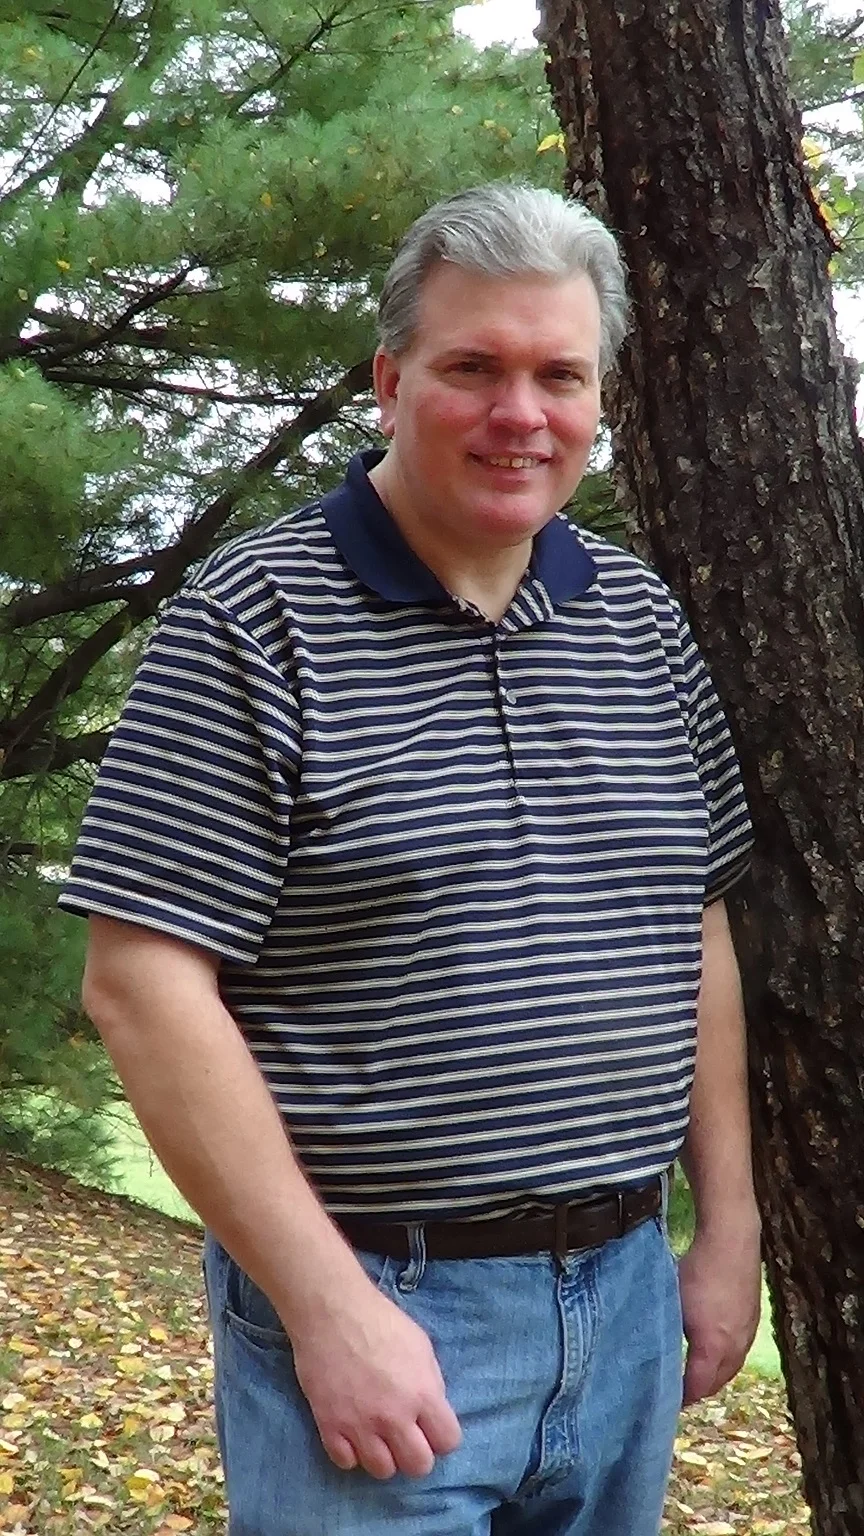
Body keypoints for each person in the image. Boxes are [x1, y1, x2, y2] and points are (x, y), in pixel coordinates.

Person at [60, 182, 762, 1536]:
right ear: (390, 380)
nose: (522, 415)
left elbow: (702, 929)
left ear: (599, 395)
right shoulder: (250, 623)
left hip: (625, 1302)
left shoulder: (640, 622)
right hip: (385, 1308)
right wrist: (329, 1310)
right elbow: (141, 983)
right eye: (472, 369)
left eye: (560, 374)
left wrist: (723, 1231)